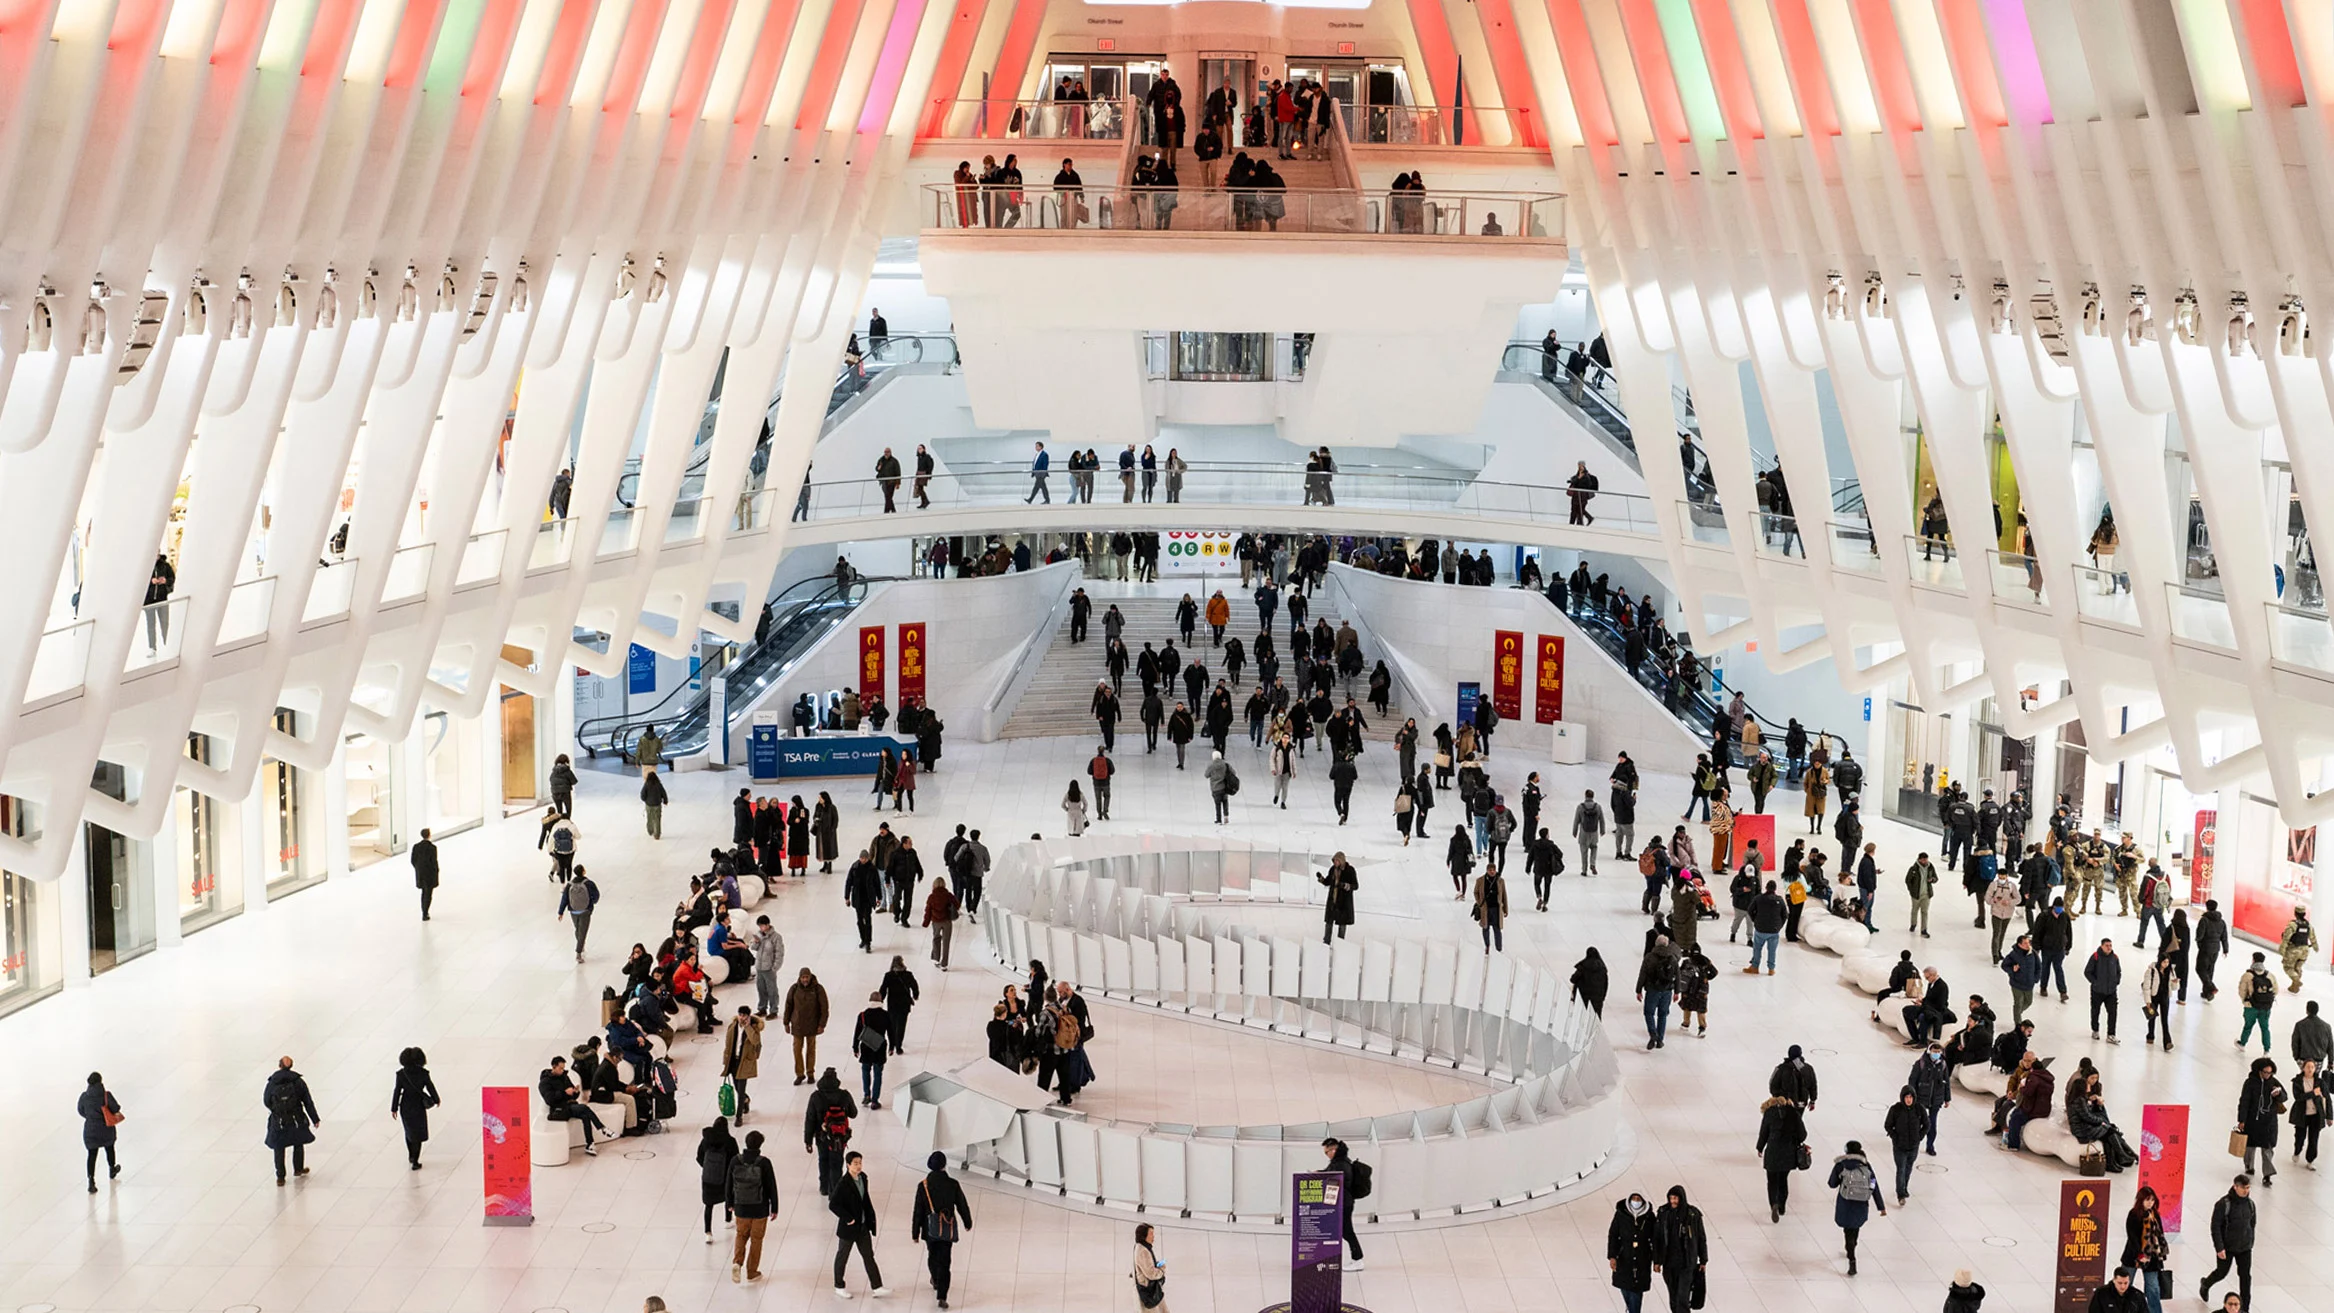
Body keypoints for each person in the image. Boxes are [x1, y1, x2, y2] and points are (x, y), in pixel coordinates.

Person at [911, 1150, 973, 1307]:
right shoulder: (953, 1184)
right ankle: (942, 1296)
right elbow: (962, 1205)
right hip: (946, 1227)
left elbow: (918, 1210)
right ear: (944, 1165)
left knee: (932, 1255)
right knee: (945, 1261)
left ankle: (935, 1279)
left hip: (929, 1229)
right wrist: (967, 1222)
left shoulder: (923, 1186)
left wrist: (915, 1233)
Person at [831, 1151, 887, 1296]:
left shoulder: (863, 1178)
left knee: (868, 1256)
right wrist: (848, 1218)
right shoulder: (843, 1183)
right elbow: (834, 1205)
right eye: (855, 1163)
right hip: (849, 1228)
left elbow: (864, 1200)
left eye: (860, 1163)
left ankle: (877, 1286)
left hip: (862, 1226)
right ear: (848, 1165)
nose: (858, 1166)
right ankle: (839, 1285)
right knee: (842, 1256)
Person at [725, 1128, 779, 1282]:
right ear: (760, 1145)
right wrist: (774, 1208)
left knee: (741, 1235)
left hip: (740, 1206)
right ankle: (752, 1272)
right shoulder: (764, 1163)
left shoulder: (736, 1161)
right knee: (756, 1240)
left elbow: (728, 1184)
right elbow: (771, 1186)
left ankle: (737, 1262)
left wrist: (729, 1203)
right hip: (759, 1208)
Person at [1827, 1140, 1886, 1275]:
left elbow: (1832, 1183)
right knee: (1855, 1228)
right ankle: (1852, 1246)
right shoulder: (1866, 1165)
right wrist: (1880, 1206)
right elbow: (1873, 1184)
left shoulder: (1841, 1165)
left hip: (1845, 1203)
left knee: (1847, 1231)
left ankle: (1851, 1258)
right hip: (1861, 1203)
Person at [264, 1055, 321, 1184]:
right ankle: (298, 1169)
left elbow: (266, 1100)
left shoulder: (272, 1082)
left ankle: (280, 1177)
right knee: (298, 1142)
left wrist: (275, 1110)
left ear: (279, 1066)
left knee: (279, 1147)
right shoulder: (297, 1081)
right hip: (296, 1118)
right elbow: (307, 1101)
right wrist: (314, 1118)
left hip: (279, 1119)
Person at [2201, 1174, 2255, 1309]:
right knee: (2222, 1272)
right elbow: (2215, 1227)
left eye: (2248, 1188)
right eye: (2243, 1188)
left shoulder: (2250, 1204)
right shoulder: (2224, 1204)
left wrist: (2250, 1241)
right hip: (2227, 1247)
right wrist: (2219, 1247)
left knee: (2245, 1278)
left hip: (2245, 1248)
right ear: (2235, 1186)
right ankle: (2206, 1284)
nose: (2246, 1191)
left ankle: (2245, 1308)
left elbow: (2252, 1224)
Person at [1651, 1185, 1707, 1312]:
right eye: (1671, 1198)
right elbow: (1657, 1239)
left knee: (1683, 1296)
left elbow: (1701, 1238)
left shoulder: (1693, 1214)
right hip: (1669, 1263)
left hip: (1687, 1263)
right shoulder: (1663, 1213)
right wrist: (1657, 1261)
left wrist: (1703, 1260)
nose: (1673, 1201)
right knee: (1673, 1296)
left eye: (1675, 1198)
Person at [804, 1065, 858, 1195]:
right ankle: (835, 1190)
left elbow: (810, 1119)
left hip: (821, 1136)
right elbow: (853, 1113)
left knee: (823, 1160)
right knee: (837, 1162)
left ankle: (824, 1187)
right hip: (839, 1136)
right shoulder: (844, 1095)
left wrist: (808, 1141)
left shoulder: (816, 1097)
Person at [1755, 1092, 1807, 1222]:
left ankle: (1774, 1204)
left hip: (1773, 1150)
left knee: (1772, 1181)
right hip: (1788, 1152)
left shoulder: (1769, 1114)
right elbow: (1803, 1135)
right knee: (1783, 1179)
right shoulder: (1793, 1113)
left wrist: (1760, 1147)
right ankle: (1782, 1206)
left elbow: (1764, 1133)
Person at [538, 1055, 605, 1156]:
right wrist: (564, 1093)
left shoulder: (564, 1077)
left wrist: (575, 1091)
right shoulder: (545, 1082)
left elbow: (572, 1094)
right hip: (559, 1109)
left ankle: (590, 1144)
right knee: (584, 1108)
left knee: (585, 1116)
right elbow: (549, 1099)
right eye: (560, 1068)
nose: (562, 1070)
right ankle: (602, 1128)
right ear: (553, 1067)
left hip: (569, 1105)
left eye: (563, 1068)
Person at [2122, 1185, 2171, 1312]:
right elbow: (2132, 1237)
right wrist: (2140, 1254)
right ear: (2141, 1200)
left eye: (2152, 1200)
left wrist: (2159, 1253)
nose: (2150, 1203)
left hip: (2152, 1257)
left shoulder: (2155, 1214)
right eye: (2147, 1200)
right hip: (2133, 1255)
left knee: (2153, 1288)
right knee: (2124, 1285)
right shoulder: (2133, 1214)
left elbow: (2159, 1235)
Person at [389, 1047, 439, 1170]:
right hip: (418, 1105)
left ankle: (411, 1155)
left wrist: (394, 1107)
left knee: (409, 1131)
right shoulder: (423, 1073)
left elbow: (397, 1091)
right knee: (419, 1132)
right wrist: (436, 1099)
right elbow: (430, 1087)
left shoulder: (401, 1074)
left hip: (405, 1105)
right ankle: (415, 1160)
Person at [1321, 1137, 1368, 1268]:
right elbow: (1329, 1173)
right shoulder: (1341, 1161)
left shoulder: (1340, 1163)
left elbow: (1336, 1178)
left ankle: (1358, 1259)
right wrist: (1319, 1173)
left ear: (1333, 1149)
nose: (1327, 1155)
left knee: (1347, 1231)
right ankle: (1357, 1258)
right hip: (1345, 1201)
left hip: (1344, 1202)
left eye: (1327, 1152)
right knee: (1346, 1231)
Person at [2238, 1057, 2286, 1184]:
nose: (2267, 1075)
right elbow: (2244, 1102)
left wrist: (2279, 1094)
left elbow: (2284, 1096)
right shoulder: (2250, 1083)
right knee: (2250, 1146)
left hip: (2269, 1122)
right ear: (2258, 1070)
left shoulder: (2274, 1082)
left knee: (2267, 1149)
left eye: (2270, 1073)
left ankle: (2268, 1175)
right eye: (2265, 1072)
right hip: (2252, 1121)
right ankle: (2249, 1166)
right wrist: (2241, 1120)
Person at [783, 968, 830, 1085]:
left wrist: (822, 1024)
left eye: (806, 977)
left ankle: (810, 1073)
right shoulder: (794, 989)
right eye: (803, 977)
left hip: (812, 1025)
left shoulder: (818, 989)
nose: (805, 980)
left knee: (811, 1050)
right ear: (799, 978)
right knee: (797, 1050)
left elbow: (824, 1008)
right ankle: (799, 1074)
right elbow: (788, 1006)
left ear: (810, 977)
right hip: (797, 1025)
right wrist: (786, 1022)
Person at [77, 1072, 122, 1191]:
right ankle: (112, 1169)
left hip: (90, 1130)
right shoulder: (106, 1095)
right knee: (110, 1148)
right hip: (106, 1128)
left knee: (92, 1155)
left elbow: (81, 1111)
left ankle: (91, 1180)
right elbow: (116, 1108)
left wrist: (91, 1117)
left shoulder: (84, 1097)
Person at [697, 1116, 738, 1242]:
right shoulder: (730, 1141)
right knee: (727, 1197)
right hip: (725, 1176)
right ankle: (728, 1219)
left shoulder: (706, 1140)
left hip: (708, 1178)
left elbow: (699, 1157)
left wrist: (707, 1167)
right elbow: (735, 1159)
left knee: (708, 1205)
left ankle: (708, 1232)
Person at [1882, 1085, 1924, 1204]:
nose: (1909, 1100)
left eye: (1911, 1097)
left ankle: (1904, 1188)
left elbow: (1926, 1124)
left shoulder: (1919, 1109)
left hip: (1913, 1147)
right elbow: (1888, 1125)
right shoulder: (1895, 1109)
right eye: (1906, 1097)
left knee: (1908, 1168)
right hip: (1899, 1147)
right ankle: (1900, 1194)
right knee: (1901, 1169)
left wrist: (1919, 1137)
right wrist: (1895, 1137)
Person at [1637, 934, 1680, 1050]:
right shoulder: (1673, 958)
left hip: (1652, 990)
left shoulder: (1649, 957)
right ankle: (1660, 1040)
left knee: (1649, 1013)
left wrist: (1638, 990)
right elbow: (1677, 975)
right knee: (1662, 1015)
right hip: (1667, 991)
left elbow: (1643, 974)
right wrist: (1677, 991)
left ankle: (1653, 1034)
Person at [721, 1007, 763, 1120]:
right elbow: (728, 1044)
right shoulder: (733, 1026)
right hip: (733, 1060)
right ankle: (745, 1099)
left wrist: (748, 1027)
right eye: (740, 1015)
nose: (742, 1017)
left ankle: (739, 1116)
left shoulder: (754, 1028)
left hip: (745, 1061)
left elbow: (755, 1041)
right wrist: (725, 1059)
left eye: (744, 1015)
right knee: (737, 1086)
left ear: (749, 1016)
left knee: (741, 1088)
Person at [855, 990, 892, 1110]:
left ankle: (866, 1094)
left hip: (866, 1047)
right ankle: (875, 1100)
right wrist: (892, 1046)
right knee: (878, 1074)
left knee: (865, 1071)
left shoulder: (862, 1015)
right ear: (881, 1001)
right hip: (879, 1048)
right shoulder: (886, 1015)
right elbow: (891, 1032)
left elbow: (857, 1033)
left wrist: (855, 1047)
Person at [557, 865, 599, 963]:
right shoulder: (589, 883)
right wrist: (591, 902)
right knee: (582, 932)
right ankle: (578, 953)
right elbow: (596, 895)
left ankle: (580, 943)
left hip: (573, 911)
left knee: (578, 930)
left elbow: (564, 899)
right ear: (583, 871)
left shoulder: (569, 885)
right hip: (585, 911)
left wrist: (561, 912)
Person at [2238, 951, 2278, 1051]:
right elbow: (2276, 990)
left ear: (2253, 960)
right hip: (2265, 1007)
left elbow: (2242, 990)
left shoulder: (2247, 975)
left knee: (2248, 1026)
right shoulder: (2269, 975)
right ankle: (2267, 1050)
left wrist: (2245, 1001)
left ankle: (2242, 1043)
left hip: (2251, 1006)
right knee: (2265, 1028)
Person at [2086, 938, 2123, 1042]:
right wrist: (2095, 982)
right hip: (2097, 991)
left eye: (2110, 945)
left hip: (2111, 991)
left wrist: (2116, 981)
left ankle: (2111, 1034)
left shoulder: (2114, 958)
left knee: (2113, 1012)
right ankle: (2095, 1030)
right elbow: (2087, 972)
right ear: (2102, 946)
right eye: (2107, 945)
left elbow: (2118, 971)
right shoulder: (2095, 957)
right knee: (2095, 1011)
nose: (2109, 948)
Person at [1319, 854, 1358, 944]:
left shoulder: (1350, 870)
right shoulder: (1333, 869)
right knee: (1329, 922)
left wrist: (1345, 886)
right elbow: (1328, 882)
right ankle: (1326, 941)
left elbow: (1355, 886)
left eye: (1337, 860)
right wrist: (1321, 878)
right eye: (1334, 861)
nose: (1335, 862)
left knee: (1342, 924)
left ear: (1341, 860)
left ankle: (1340, 943)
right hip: (1333, 901)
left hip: (1343, 902)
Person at [1472, 860, 1510, 953]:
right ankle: (1487, 945)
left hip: (1496, 909)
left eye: (1493, 870)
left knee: (1497, 929)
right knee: (1485, 928)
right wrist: (1480, 902)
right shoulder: (1480, 880)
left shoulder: (1500, 881)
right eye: (1490, 870)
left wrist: (1505, 909)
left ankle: (1499, 948)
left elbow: (1504, 895)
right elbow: (1476, 892)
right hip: (1485, 909)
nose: (1492, 872)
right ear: (1487, 870)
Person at [923, 878, 960, 970]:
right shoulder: (948, 895)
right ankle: (944, 964)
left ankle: (936, 958)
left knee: (936, 939)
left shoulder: (931, 897)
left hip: (936, 922)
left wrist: (926, 922)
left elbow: (928, 911)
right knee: (946, 942)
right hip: (947, 921)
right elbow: (957, 905)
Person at [2197, 898, 2230, 1000]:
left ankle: (2211, 987)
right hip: (2216, 949)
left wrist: (2199, 943)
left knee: (2200, 969)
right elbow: (2224, 937)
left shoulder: (2204, 920)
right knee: (2210, 970)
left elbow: (2199, 935)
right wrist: (2225, 949)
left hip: (2205, 948)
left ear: (2207, 907)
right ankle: (2208, 994)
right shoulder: (2222, 922)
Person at [1132, 1223, 1170, 1311]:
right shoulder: (1142, 1251)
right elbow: (1151, 1274)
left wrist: (1156, 1264)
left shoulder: (1142, 1248)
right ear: (1144, 1235)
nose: (1153, 1236)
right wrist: (1162, 1269)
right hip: (1149, 1291)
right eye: (1151, 1233)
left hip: (1149, 1290)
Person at [1571, 947, 1608, 1016]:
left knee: (1582, 1016)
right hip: (1597, 999)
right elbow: (1605, 984)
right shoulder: (1602, 968)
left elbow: (1573, 979)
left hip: (1584, 998)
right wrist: (1602, 997)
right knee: (1596, 1017)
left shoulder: (1583, 966)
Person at [411, 828, 439, 920]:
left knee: (423, 893)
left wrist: (418, 868)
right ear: (429, 835)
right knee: (428, 894)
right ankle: (425, 912)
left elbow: (413, 860)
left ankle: (424, 911)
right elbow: (434, 862)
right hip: (429, 874)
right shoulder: (432, 848)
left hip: (421, 874)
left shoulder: (416, 847)